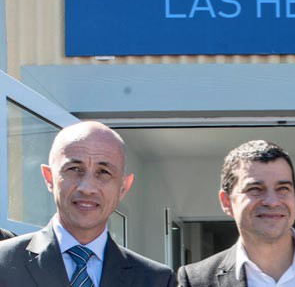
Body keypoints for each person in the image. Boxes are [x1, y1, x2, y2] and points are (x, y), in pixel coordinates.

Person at [0, 121, 175, 287]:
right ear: (49, 177)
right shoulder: (5, 264)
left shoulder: (154, 279)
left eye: (103, 172)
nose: (87, 188)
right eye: (75, 169)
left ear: (123, 187)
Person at [177, 140, 295, 287]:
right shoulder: (196, 281)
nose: (272, 201)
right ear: (226, 202)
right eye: (255, 189)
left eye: (283, 188)